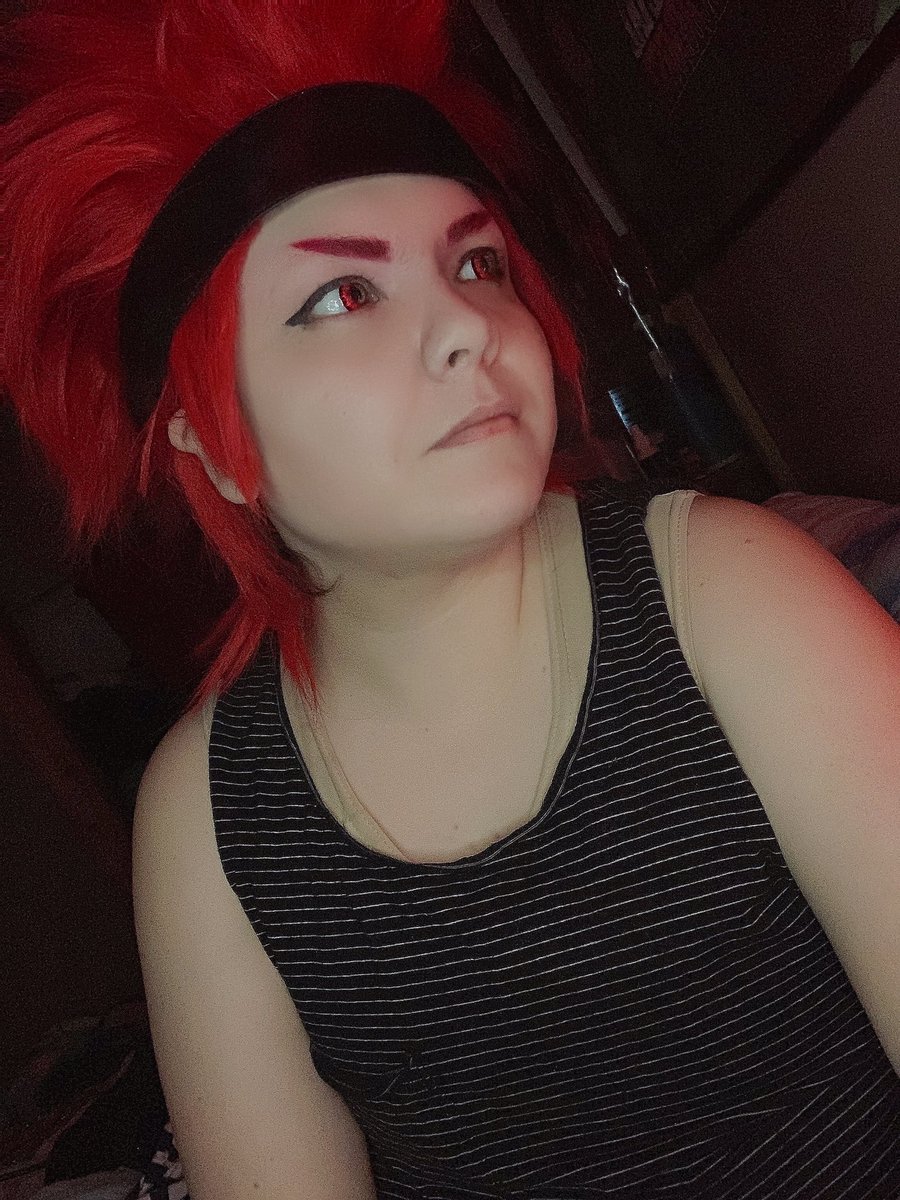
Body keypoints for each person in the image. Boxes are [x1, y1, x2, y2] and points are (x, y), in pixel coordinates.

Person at [3, 2, 899, 1197]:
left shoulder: (729, 594)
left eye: (477, 263)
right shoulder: (209, 821)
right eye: (343, 296)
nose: (468, 327)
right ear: (210, 447)